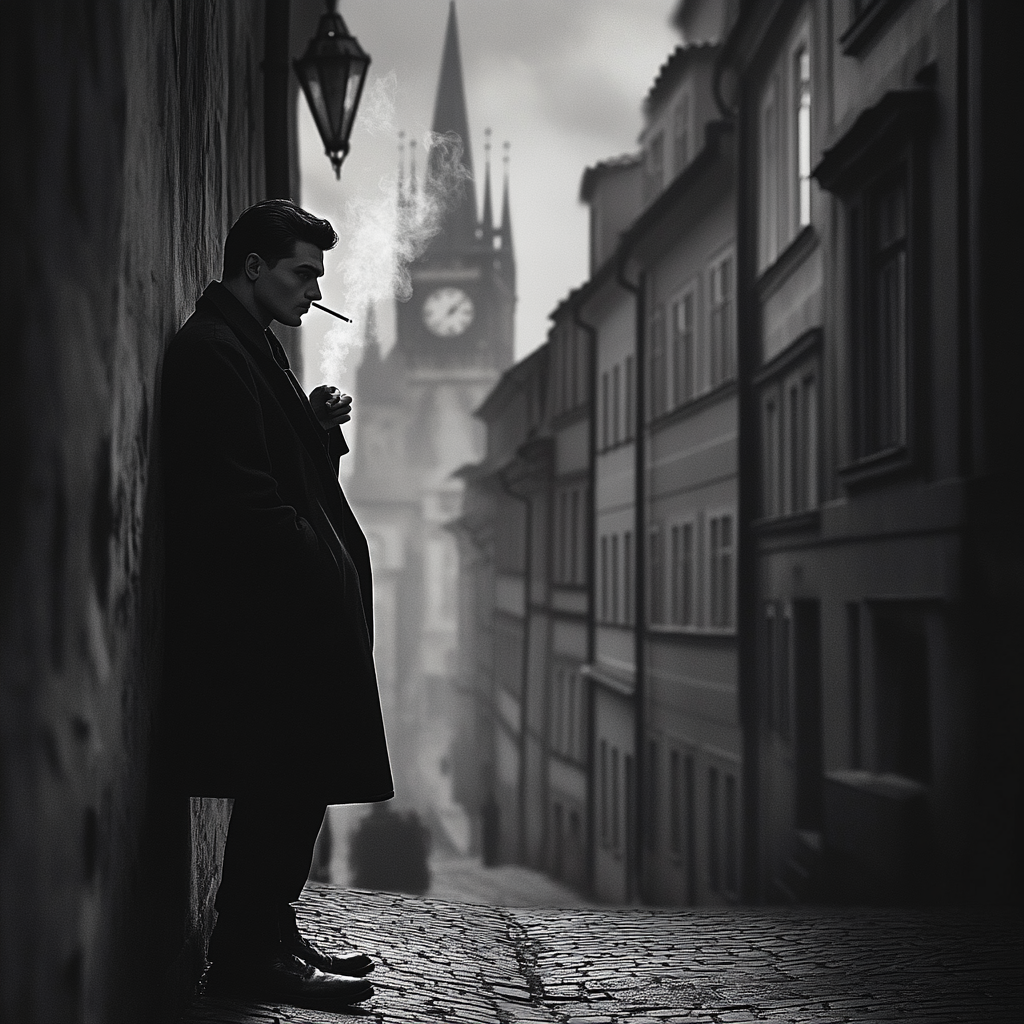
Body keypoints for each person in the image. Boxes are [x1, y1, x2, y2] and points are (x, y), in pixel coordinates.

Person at [161, 199, 393, 1010]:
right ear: (253, 265)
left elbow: (278, 464)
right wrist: (316, 566)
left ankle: (268, 933)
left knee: (292, 784)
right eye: (302, 271)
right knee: (285, 781)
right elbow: (240, 498)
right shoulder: (213, 351)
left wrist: (314, 426)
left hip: (283, 618)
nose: (312, 289)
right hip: (265, 625)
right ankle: (250, 952)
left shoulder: (249, 344)